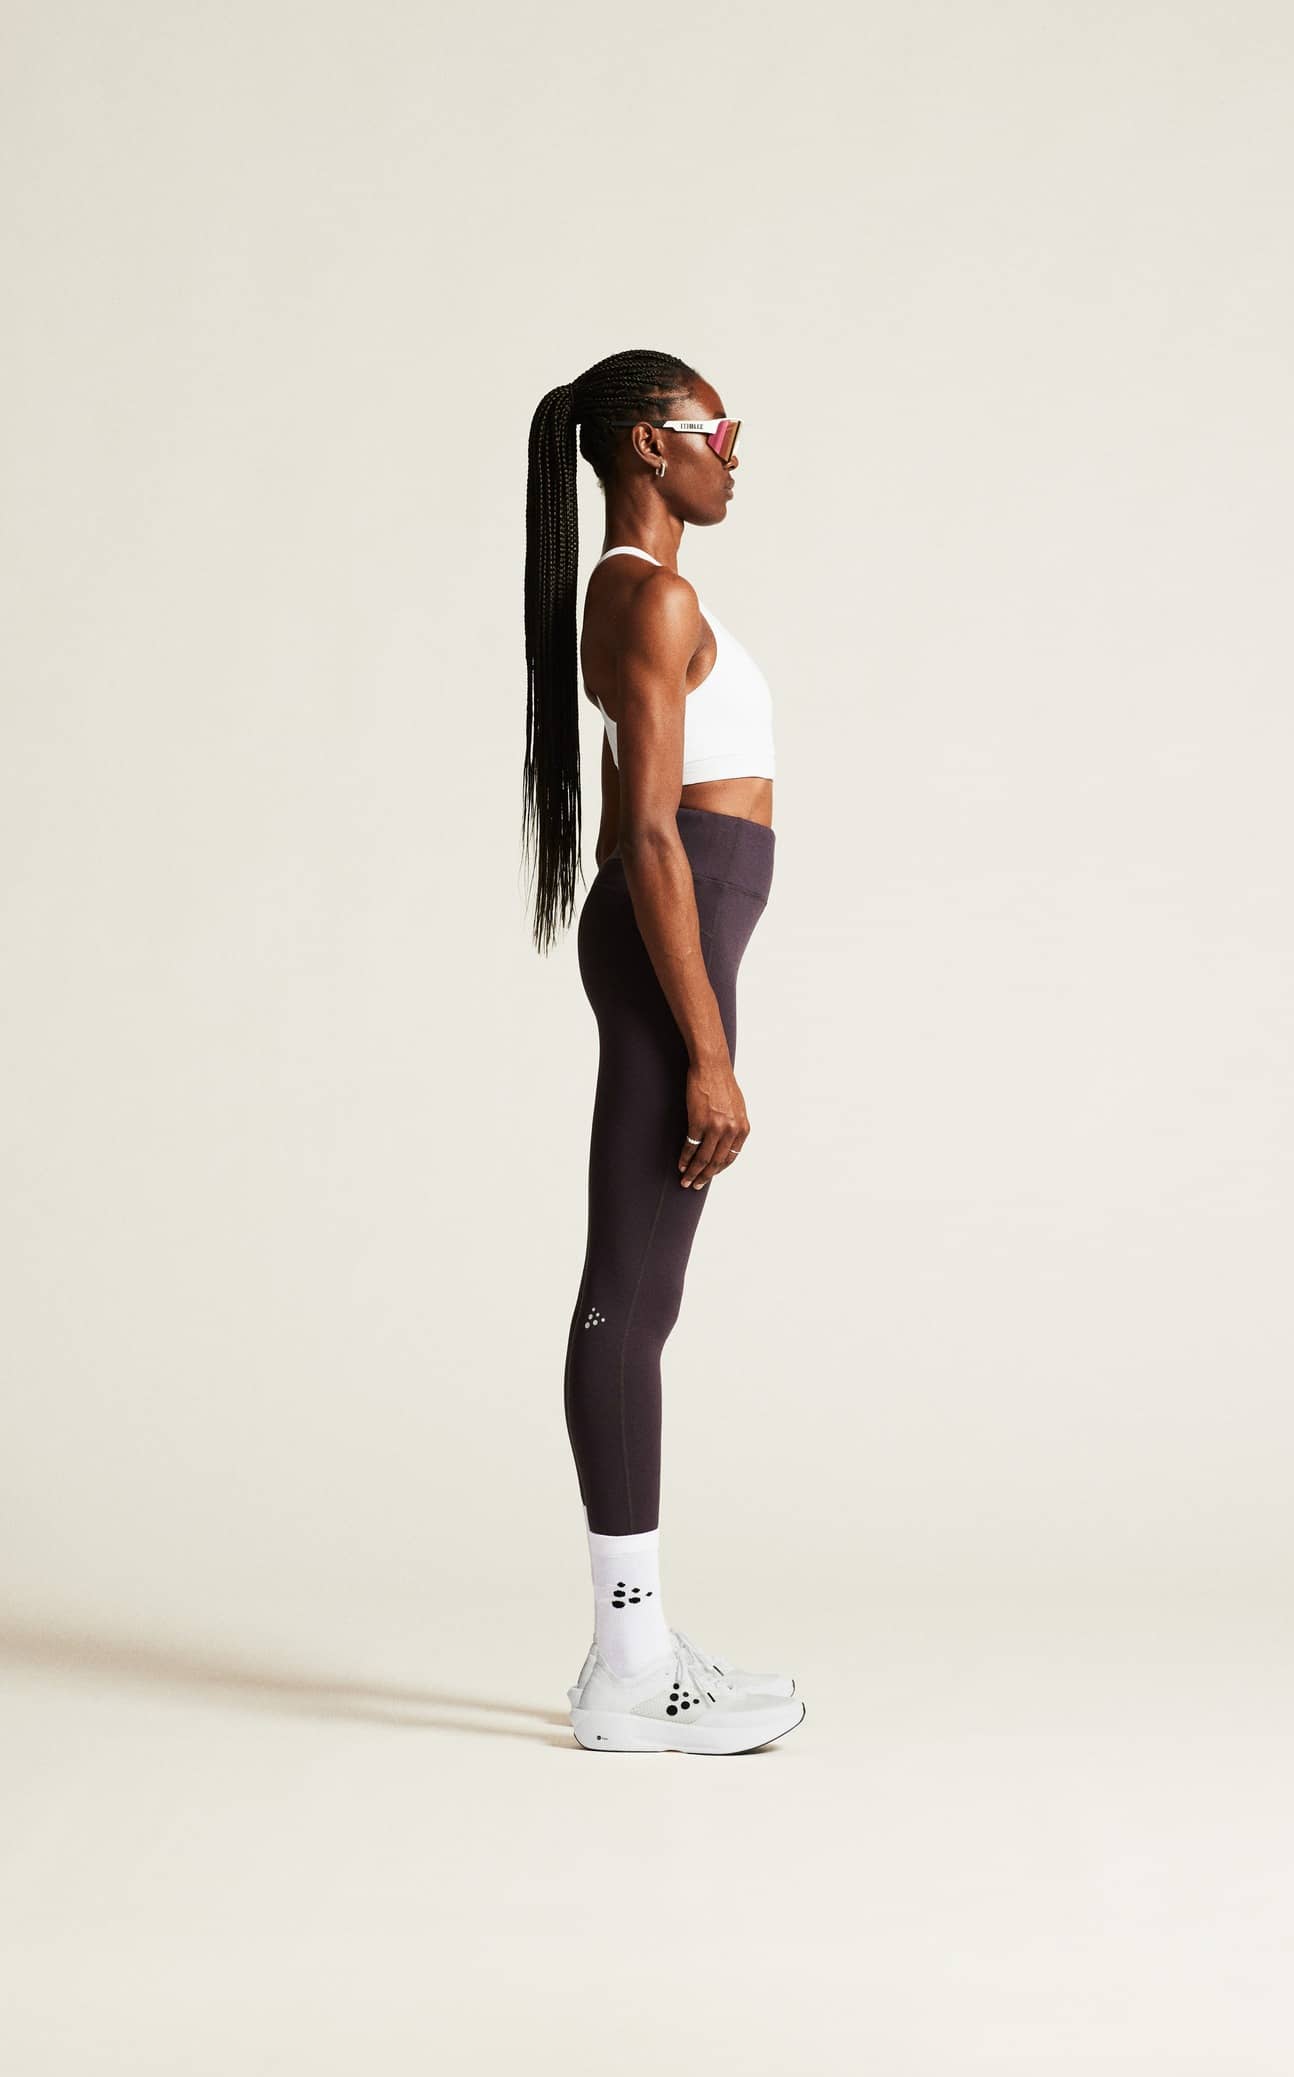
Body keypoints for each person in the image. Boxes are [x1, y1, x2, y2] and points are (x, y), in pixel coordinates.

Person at [522, 348, 806, 1755]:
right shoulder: (650, 594)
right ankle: (627, 1667)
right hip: (667, 940)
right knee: (627, 1299)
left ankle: (636, 1651)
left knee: (643, 1295)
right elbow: (645, 833)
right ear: (650, 442)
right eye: (715, 428)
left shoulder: (640, 592)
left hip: (676, 930)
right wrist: (708, 1052)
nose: (732, 451)